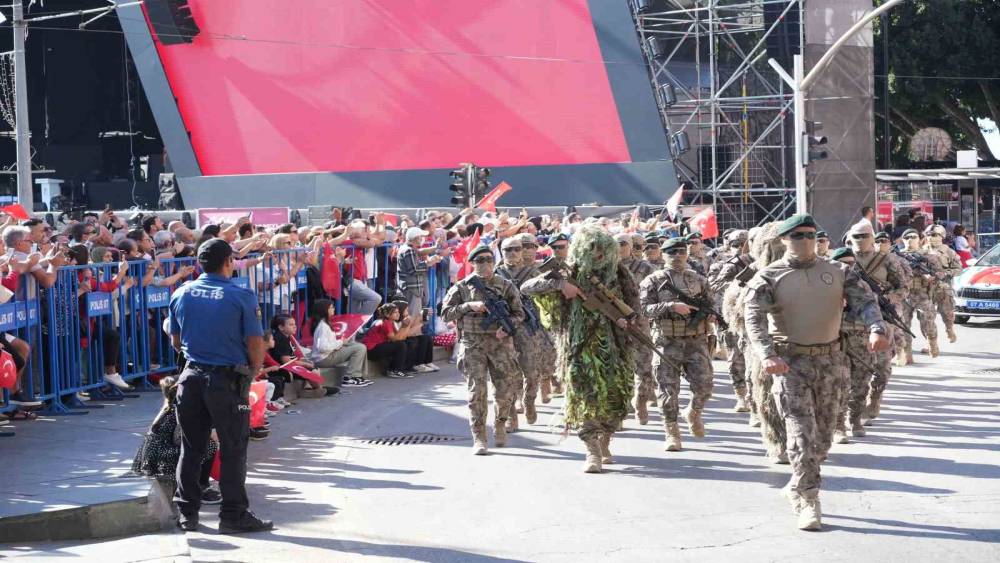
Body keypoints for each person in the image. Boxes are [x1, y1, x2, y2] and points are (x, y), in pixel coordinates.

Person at [744, 214, 888, 531]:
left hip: (832, 362)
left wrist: (876, 327)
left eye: (810, 234)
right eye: (797, 236)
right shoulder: (769, 276)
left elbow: (866, 301)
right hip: (790, 364)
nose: (805, 241)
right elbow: (752, 318)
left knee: (822, 440)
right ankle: (809, 500)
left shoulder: (838, 271)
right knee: (801, 435)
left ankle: (798, 481)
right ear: (783, 240)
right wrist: (766, 354)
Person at [167, 239, 273, 534]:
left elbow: (176, 341)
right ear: (228, 262)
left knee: (191, 448)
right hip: (226, 381)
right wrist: (252, 372)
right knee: (233, 448)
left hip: (191, 378)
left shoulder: (181, 293)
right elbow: (255, 343)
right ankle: (233, 515)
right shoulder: (241, 295)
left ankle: (187, 514)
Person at [522, 227, 637, 473]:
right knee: (583, 396)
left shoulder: (619, 273)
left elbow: (634, 304)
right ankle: (591, 449)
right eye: (592, 248)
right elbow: (527, 287)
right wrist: (562, 284)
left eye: (602, 249)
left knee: (614, 398)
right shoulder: (571, 271)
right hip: (577, 346)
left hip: (614, 347)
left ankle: (605, 439)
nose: (597, 254)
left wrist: (631, 323)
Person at [442, 245, 524, 455]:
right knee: (476, 392)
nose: (485, 264)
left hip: (500, 345)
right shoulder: (461, 287)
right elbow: (445, 314)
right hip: (472, 345)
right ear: (472, 263)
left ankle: (500, 423)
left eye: (488, 260)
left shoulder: (505, 285)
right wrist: (469, 306)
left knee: (504, 390)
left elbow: (519, 314)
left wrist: (507, 329)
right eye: (480, 261)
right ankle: (479, 436)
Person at [640, 237, 716, 451]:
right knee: (667, 390)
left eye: (681, 251)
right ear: (663, 255)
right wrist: (671, 306)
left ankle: (693, 412)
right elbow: (644, 309)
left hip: (696, 340)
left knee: (705, 385)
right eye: (672, 252)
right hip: (667, 342)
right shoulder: (653, 281)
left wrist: (710, 316)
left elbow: (710, 304)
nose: (677, 256)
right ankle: (671, 431)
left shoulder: (699, 279)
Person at [848, 222, 909, 422]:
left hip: (882, 318)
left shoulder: (887, 260)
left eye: (864, 235)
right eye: (856, 236)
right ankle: (851, 411)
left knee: (882, 366)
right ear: (849, 238)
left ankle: (875, 397)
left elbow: (903, 287)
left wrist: (887, 299)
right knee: (850, 367)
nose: (860, 240)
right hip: (850, 322)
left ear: (872, 238)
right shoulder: (842, 260)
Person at [131, 376, 221, 505]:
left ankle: (196, 482)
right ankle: (200, 486)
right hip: (162, 459)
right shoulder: (179, 411)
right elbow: (183, 439)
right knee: (209, 445)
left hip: (153, 456)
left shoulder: (168, 407)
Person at [494, 236, 542, 430]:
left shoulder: (533, 272)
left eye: (516, 249)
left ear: (522, 251)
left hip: (527, 327)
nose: (512, 253)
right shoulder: (495, 273)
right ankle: (511, 416)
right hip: (504, 328)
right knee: (507, 374)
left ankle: (529, 400)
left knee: (530, 371)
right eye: (508, 250)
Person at [615, 233, 656, 425]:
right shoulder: (608, 269)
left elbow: (657, 292)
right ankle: (621, 410)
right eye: (615, 244)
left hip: (640, 322)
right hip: (615, 322)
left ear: (631, 247)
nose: (619, 246)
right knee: (619, 367)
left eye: (622, 243)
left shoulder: (645, 268)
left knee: (644, 366)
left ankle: (640, 401)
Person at [897, 229, 942, 360]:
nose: (910, 239)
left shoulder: (927, 255)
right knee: (904, 325)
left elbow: (940, 273)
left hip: (922, 294)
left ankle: (932, 343)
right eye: (907, 237)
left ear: (920, 239)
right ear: (903, 240)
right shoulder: (897, 256)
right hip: (904, 295)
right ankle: (907, 354)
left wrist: (932, 277)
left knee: (928, 322)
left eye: (913, 236)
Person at [307, 299, 371, 388]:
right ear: (324, 310)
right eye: (331, 308)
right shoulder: (323, 326)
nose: (334, 309)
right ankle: (350, 377)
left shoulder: (324, 324)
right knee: (359, 348)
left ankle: (359, 376)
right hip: (324, 359)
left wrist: (342, 342)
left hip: (326, 355)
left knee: (358, 346)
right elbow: (322, 347)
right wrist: (340, 342)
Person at [924, 225, 962, 344]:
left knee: (947, 313)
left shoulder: (948, 251)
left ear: (942, 236)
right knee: (926, 317)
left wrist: (944, 273)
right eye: (929, 235)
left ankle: (949, 328)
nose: (931, 237)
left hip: (943, 287)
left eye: (934, 235)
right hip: (926, 288)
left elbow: (959, 268)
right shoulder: (922, 250)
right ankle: (929, 341)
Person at [362, 304, 413, 378]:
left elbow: (401, 337)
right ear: (387, 314)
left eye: (398, 312)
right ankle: (395, 370)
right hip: (371, 350)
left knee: (404, 343)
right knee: (400, 345)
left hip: (375, 348)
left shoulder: (390, 322)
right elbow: (394, 339)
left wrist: (406, 326)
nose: (398, 314)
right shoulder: (386, 322)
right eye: (395, 312)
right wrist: (403, 326)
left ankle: (397, 369)